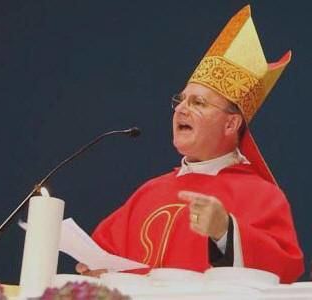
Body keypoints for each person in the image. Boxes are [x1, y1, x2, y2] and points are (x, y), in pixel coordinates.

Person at [76, 5, 304, 283]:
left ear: (231, 124)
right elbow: (105, 256)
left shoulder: (262, 197)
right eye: (181, 100)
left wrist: (226, 231)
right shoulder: (150, 192)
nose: (181, 109)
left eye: (198, 103)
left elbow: (285, 270)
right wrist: (98, 271)